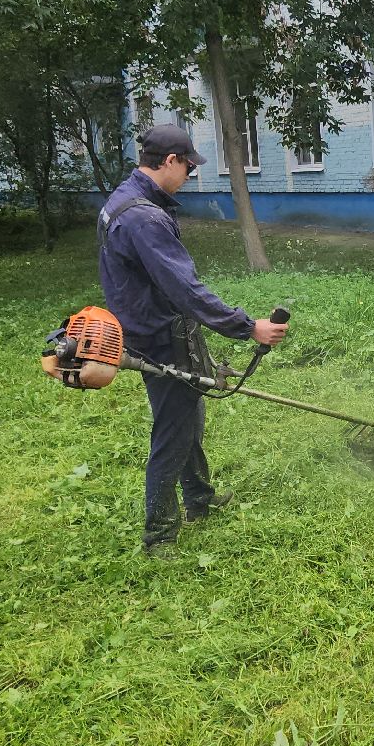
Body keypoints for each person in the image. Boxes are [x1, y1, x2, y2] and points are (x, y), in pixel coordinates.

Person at [98, 124, 287, 554]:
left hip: (151, 326)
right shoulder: (145, 218)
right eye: (187, 166)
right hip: (162, 336)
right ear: (169, 162)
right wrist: (247, 326)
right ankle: (159, 534)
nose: (189, 174)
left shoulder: (122, 200)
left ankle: (199, 498)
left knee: (189, 416)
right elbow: (186, 289)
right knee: (174, 430)